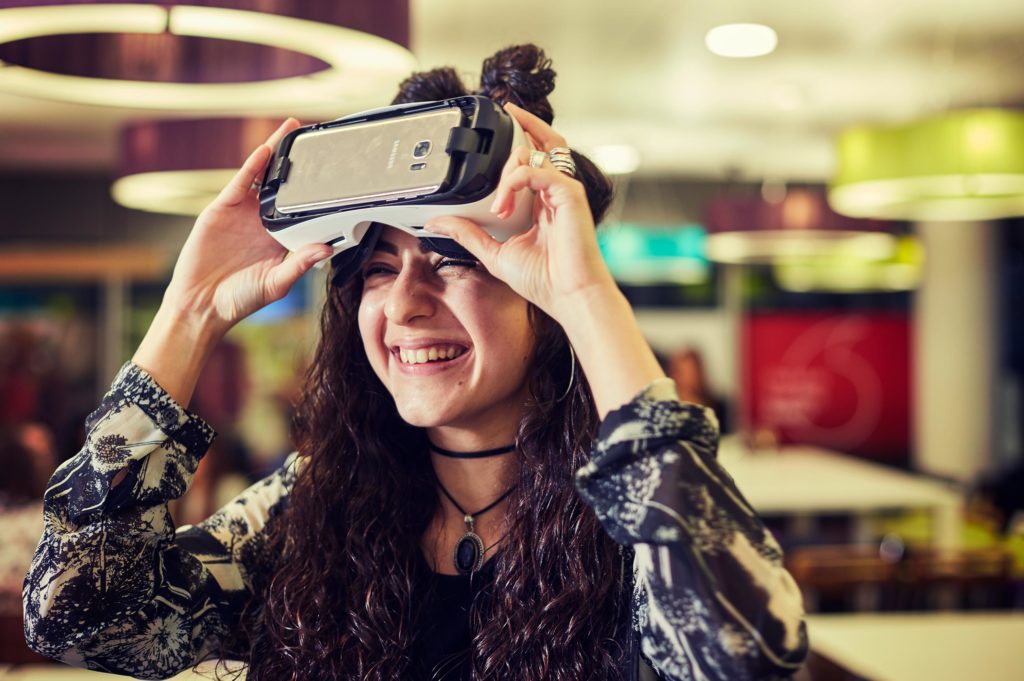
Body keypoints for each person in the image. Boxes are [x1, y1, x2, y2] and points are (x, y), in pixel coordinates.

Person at [23, 45, 808, 680]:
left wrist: (587, 299)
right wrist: (188, 311)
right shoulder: (311, 510)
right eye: (376, 268)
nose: (403, 304)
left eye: (452, 258)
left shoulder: (628, 524)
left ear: (539, 290)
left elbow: (744, 653)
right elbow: (76, 615)